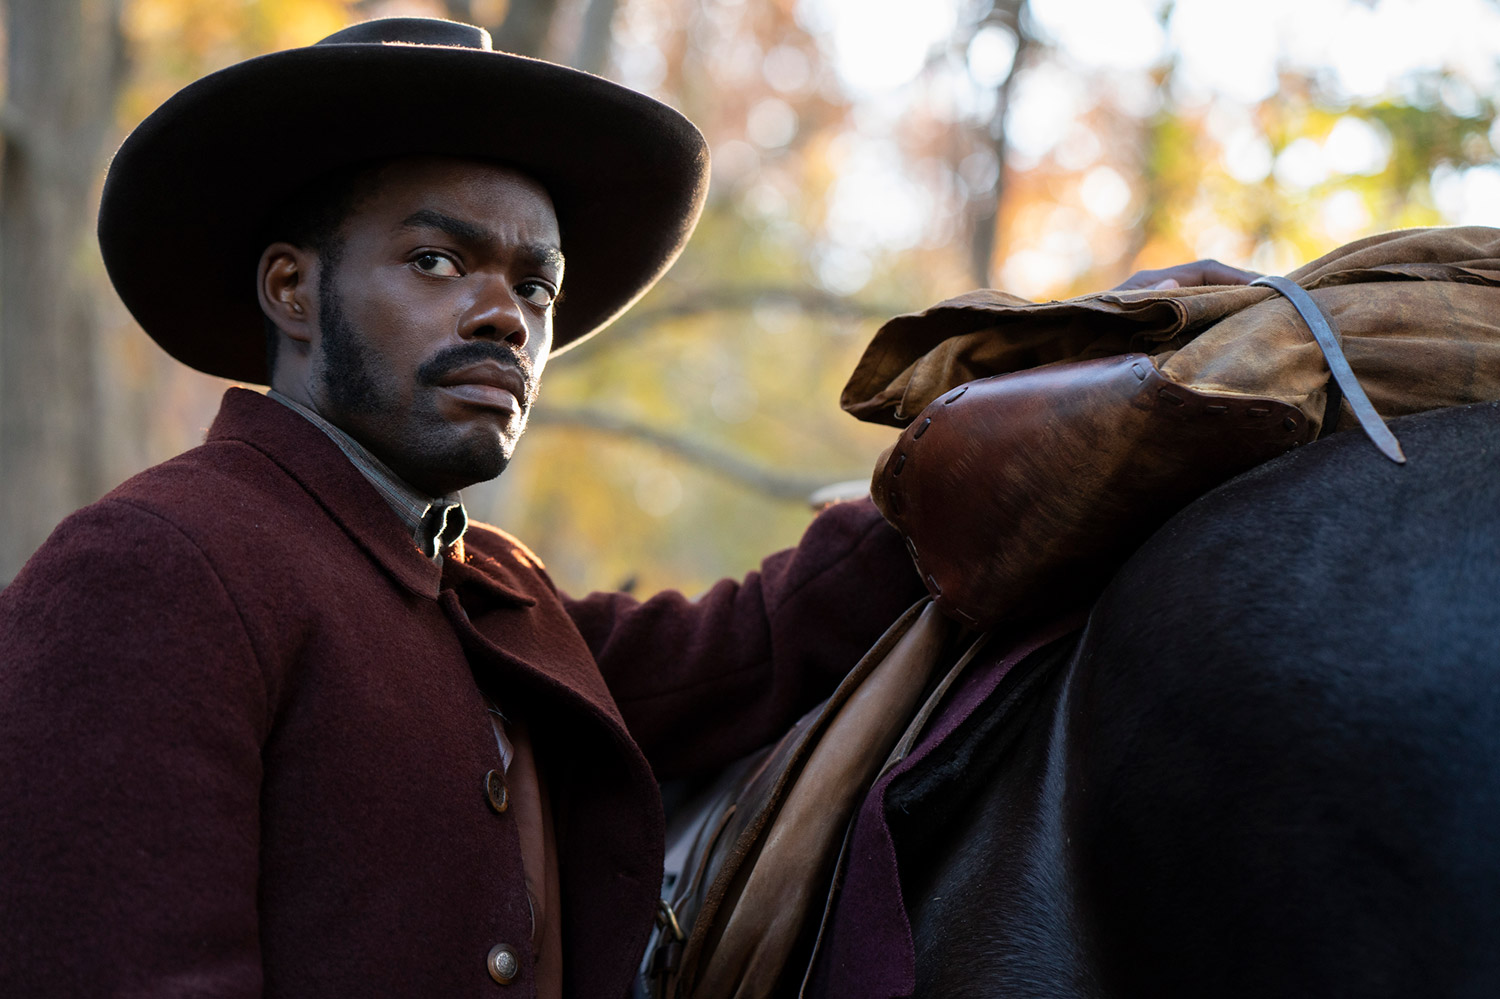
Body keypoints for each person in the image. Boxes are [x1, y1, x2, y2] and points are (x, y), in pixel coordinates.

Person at [0, 18, 927, 998]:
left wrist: (949, 478)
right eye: (438, 261)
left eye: (537, 285)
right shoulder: (156, 564)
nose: (506, 317)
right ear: (292, 289)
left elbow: (747, 651)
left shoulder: (496, 594)